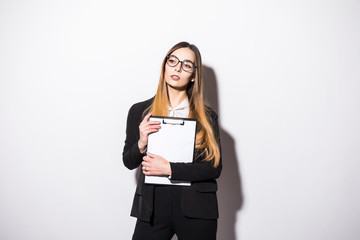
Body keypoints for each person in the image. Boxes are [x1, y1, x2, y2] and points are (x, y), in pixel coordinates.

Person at [123, 41, 222, 240]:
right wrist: (141, 142)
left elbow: (214, 168)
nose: (177, 67)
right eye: (173, 60)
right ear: (165, 66)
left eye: (186, 65)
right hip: (152, 209)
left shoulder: (207, 117)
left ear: (194, 75)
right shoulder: (140, 111)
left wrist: (170, 168)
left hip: (197, 209)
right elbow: (128, 161)